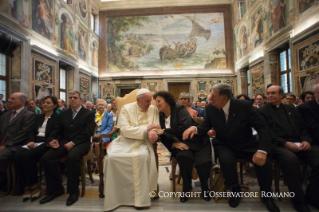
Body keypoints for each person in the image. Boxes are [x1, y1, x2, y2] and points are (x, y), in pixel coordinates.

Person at [183, 83, 279, 212]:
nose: (210, 98)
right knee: (226, 161)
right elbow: (206, 126)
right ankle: (235, 190)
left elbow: (262, 127)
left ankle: (266, 196)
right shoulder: (211, 108)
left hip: (246, 143)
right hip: (225, 144)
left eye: (213, 95)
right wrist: (194, 128)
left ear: (224, 98)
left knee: (264, 163)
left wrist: (262, 150)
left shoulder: (243, 106)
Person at [258, 85, 319, 211]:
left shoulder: (292, 109)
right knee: (291, 159)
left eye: (273, 93)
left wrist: (306, 140)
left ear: (282, 95)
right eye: (268, 93)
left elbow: (303, 127)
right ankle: (298, 200)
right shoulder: (262, 111)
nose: (270, 96)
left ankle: (312, 195)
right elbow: (266, 133)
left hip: (298, 143)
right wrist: (285, 143)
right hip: (277, 145)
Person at [103, 89, 160, 211]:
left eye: (151, 101)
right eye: (147, 101)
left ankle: (140, 199)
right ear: (138, 100)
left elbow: (156, 126)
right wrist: (146, 129)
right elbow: (125, 130)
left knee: (142, 157)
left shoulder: (153, 109)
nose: (150, 103)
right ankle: (117, 197)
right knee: (112, 157)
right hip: (125, 141)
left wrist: (153, 131)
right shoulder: (126, 108)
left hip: (144, 142)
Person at [153, 91, 211, 203]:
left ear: (167, 101)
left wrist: (164, 131)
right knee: (184, 158)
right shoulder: (159, 115)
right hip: (180, 144)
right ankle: (186, 188)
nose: (157, 104)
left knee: (203, 163)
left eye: (159, 101)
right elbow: (161, 135)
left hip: (198, 141)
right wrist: (172, 144)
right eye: (156, 102)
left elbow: (184, 126)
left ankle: (205, 188)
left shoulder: (179, 108)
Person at [39, 90, 95, 206]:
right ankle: (56, 189)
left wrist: (73, 142)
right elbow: (56, 129)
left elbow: (87, 132)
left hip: (81, 143)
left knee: (72, 157)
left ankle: (73, 192)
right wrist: (52, 140)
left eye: (75, 98)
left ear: (81, 100)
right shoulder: (64, 114)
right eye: (70, 98)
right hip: (64, 142)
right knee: (46, 158)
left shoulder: (88, 113)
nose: (72, 100)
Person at [13, 96, 59, 202]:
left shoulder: (57, 117)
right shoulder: (38, 117)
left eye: (48, 103)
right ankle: (26, 185)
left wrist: (49, 141)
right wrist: (30, 140)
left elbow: (55, 132)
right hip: (34, 141)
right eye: (44, 103)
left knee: (27, 156)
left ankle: (34, 185)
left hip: (47, 142)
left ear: (54, 105)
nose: (45, 104)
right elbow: (31, 131)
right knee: (16, 155)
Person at [0, 93, 36, 192]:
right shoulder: (6, 115)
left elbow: (24, 133)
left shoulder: (29, 115)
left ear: (22, 102)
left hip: (16, 145)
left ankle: (4, 184)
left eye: (13, 99)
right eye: (9, 98)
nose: (9, 101)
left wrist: (6, 145)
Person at [92, 99, 112, 173]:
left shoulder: (109, 115)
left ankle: (98, 163)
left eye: (102, 105)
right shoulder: (93, 115)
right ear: (96, 106)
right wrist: (93, 135)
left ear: (105, 106)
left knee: (97, 144)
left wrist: (101, 134)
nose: (100, 106)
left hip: (105, 135)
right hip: (94, 134)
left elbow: (109, 128)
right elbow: (91, 127)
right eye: (99, 105)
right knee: (89, 143)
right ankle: (91, 163)